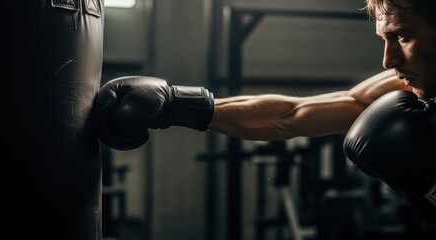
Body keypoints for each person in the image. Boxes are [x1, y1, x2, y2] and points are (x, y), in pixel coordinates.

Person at [94, 0, 436, 227]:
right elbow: (293, 114)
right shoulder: (401, 86)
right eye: (384, 39)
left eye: (402, 36)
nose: (389, 61)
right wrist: (175, 105)